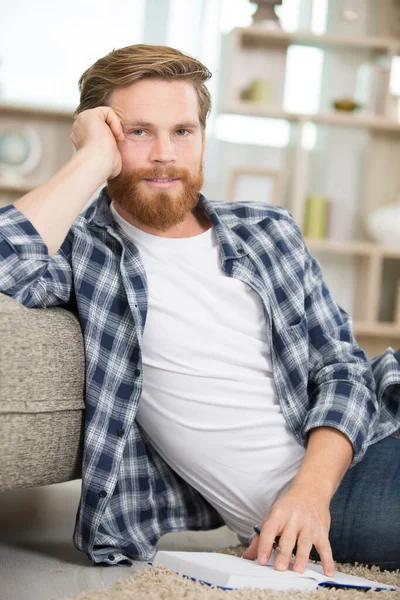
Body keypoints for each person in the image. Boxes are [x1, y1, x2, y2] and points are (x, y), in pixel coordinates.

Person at [0, 44, 399, 574]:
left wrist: (309, 492)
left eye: (183, 131)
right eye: (138, 131)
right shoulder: (83, 254)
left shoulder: (267, 229)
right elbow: (7, 260)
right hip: (343, 496)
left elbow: (342, 367)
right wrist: (91, 160)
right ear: (102, 133)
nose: (166, 153)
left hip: (358, 446)